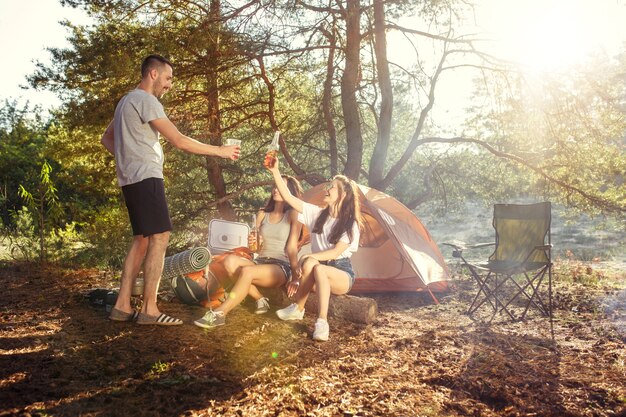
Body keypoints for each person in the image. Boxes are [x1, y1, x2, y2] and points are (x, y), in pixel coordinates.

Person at [101, 54, 239, 326]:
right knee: (160, 237)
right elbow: (178, 140)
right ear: (153, 74)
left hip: (131, 179)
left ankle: (122, 305)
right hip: (146, 177)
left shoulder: (125, 102)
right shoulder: (145, 100)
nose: (169, 85)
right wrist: (220, 151)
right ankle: (150, 309)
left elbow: (107, 138)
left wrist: (127, 160)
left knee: (141, 239)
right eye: (167, 78)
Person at [266, 158, 362, 341]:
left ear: (343, 195)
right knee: (315, 265)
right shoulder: (317, 214)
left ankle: (322, 322)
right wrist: (275, 172)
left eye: (332, 187)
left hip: (341, 273)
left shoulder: (351, 224)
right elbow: (289, 197)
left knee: (315, 265)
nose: (327, 189)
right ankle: (298, 309)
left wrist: (309, 255)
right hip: (318, 271)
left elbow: (334, 253)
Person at [193, 176, 304, 328]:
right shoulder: (262, 214)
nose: (276, 189)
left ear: (289, 191)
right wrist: (253, 244)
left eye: (281, 186)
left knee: (247, 271)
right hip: (260, 261)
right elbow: (256, 249)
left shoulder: (293, 214)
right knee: (229, 261)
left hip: (279, 266)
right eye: (275, 186)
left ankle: (220, 314)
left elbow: (292, 247)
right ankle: (260, 299)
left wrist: (295, 276)